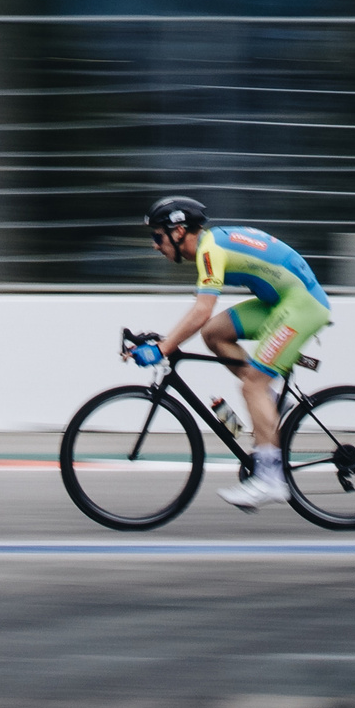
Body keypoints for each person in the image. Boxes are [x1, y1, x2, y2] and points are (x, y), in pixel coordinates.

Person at [136, 195, 332, 512]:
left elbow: (201, 309)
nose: (155, 246)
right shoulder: (209, 247)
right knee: (214, 334)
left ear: (179, 230)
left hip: (302, 305)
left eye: (158, 237)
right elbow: (202, 320)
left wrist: (163, 348)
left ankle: (271, 478)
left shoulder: (210, 250)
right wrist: (166, 340)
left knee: (251, 384)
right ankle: (265, 404)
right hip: (280, 302)